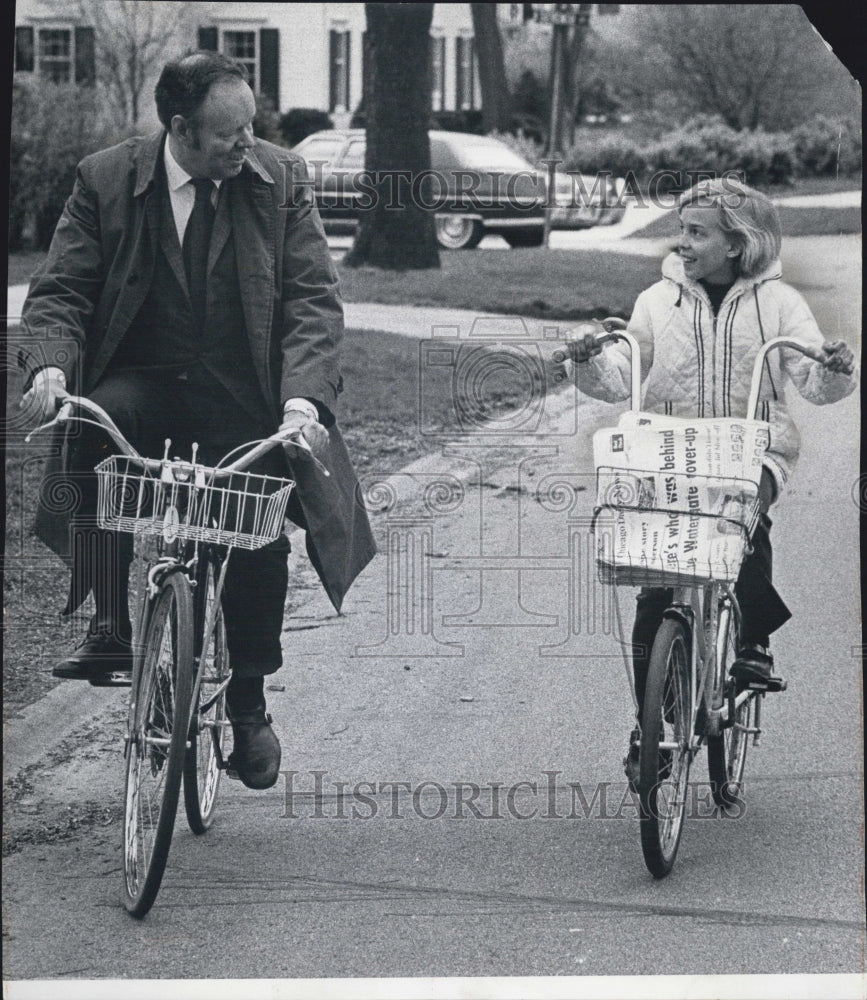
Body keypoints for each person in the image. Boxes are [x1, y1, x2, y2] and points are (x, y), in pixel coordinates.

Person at [18, 51, 375, 791]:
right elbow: (61, 293)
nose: (249, 142)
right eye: (230, 133)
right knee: (96, 422)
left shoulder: (279, 179)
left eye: (252, 125)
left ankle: (246, 699)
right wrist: (50, 367)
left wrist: (302, 402)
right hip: (144, 384)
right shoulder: (105, 179)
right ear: (179, 130)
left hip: (245, 396)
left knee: (258, 528)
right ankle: (109, 625)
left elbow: (313, 300)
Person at [566, 178, 856, 786]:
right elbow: (622, 374)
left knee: (741, 520)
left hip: (751, 454)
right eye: (683, 230)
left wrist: (834, 366)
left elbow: (809, 374)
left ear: (737, 243)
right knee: (656, 585)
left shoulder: (777, 304)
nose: (684, 242)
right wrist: (590, 356)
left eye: (698, 232)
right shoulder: (657, 302)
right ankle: (655, 727)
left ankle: (751, 644)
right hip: (672, 457)